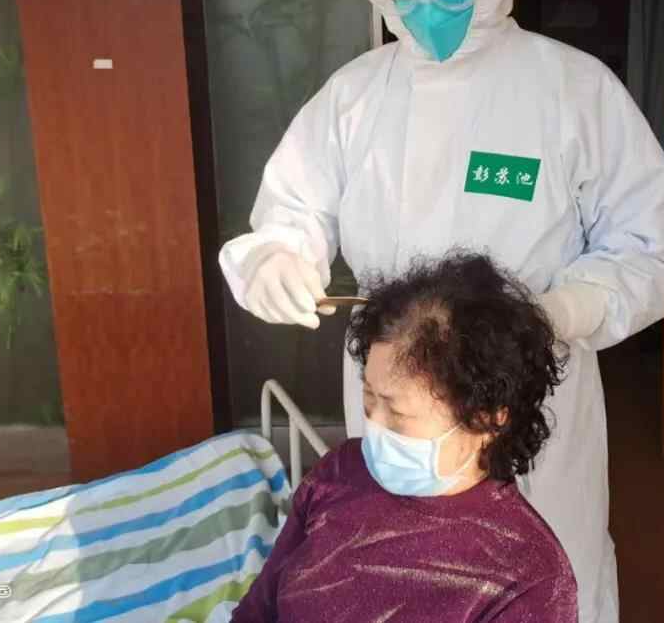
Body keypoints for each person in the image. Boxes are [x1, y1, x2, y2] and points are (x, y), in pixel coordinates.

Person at [219, 0, 664, 621]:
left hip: (527, 389)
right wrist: (277, 257)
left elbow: (646, 251)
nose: (426, 0)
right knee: (391, 573)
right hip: (397, 399)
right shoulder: (354, 97)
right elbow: (291, 210)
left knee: (544, 573)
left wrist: (561, 312)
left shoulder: (573, 90)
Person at [230, 252, 578, 622]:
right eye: (369, 400)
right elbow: (257, 612)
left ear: (486, 419)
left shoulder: (529, 577)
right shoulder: (340, 473)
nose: (374, 427)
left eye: (398, 415)